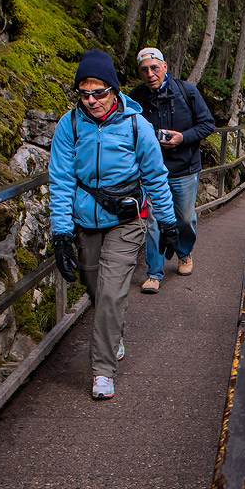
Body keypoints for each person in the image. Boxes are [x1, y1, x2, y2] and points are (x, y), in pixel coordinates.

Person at [49, 50, 179, 400]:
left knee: (110, 292)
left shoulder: (137, 126)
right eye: (84, 93)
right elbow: (61, 180)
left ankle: (102, 371)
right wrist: (61, 233)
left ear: (114, 90)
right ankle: (113, 335)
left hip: (127, 220)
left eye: (99, 93)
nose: (91, 101)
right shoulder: (70, 125)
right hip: (85, 221)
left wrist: (168, 223)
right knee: (94, 287)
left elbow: (155, 177)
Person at [129, 47, 215, 293]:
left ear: (165, 67)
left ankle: (184, 253)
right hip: (152, 173)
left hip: (185, 168)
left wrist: (183, 138)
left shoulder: (186, 92)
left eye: (154, 68)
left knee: (185, 218)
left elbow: (208, 124)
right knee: (154, 221)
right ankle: (154, 273)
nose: (150, 74)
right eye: (144, 70)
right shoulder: (136, 98)